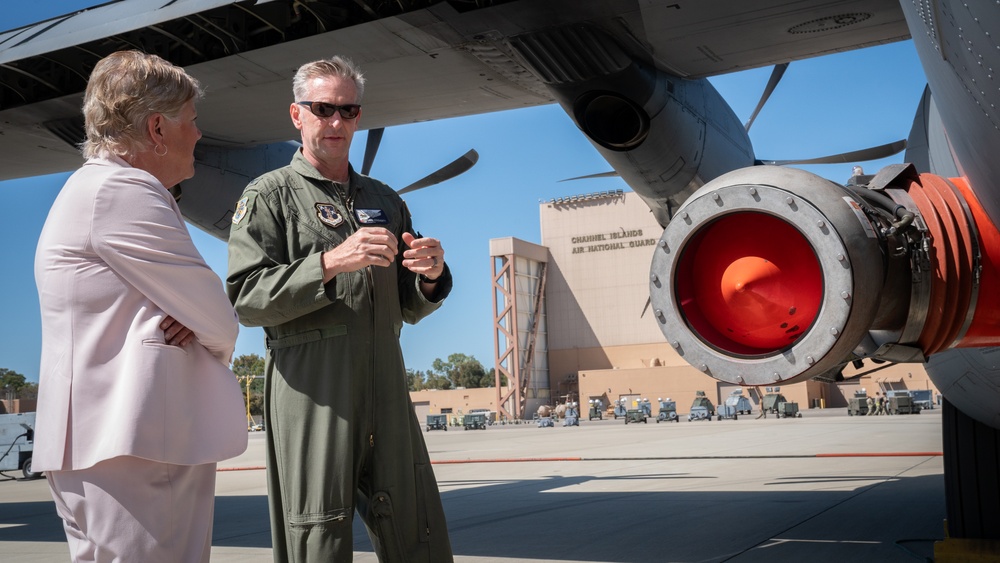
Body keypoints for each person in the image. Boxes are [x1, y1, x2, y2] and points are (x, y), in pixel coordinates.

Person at [226, 56, 454, 562]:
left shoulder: (384, 200)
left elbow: (409, 304)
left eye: (348, 111)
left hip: (387, 389)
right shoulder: (269, 196)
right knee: (318, 538)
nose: (336, 123)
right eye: (323, 108)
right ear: (296, 114)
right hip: (314, 394)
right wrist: (329, 263)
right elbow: (245, 297)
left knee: (419, 532)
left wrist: (431, 274)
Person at [33, 50, 248, 562]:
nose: (198, 135)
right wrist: (205, 331)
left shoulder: (90, 188)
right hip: (139, 442)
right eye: (191, 121)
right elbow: (218, 317)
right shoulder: (124, 190)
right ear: (157, 128)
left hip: (107, 441)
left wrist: (195, 322)